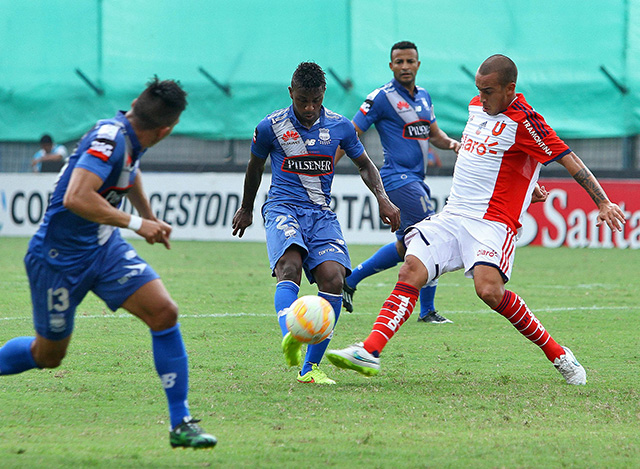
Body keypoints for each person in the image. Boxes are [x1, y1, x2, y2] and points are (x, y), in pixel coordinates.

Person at [326, 54, 626, 385]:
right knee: (412, 268)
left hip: (493, 223)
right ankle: (370, 350)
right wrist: (526, 187)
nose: (481, 98)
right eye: (479, 90)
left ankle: (558, 354)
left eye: (489, 91)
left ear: (510, 89)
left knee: (489, 291)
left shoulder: (526, 121)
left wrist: (603, 202)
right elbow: (495, 161)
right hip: (454, 215)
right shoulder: (475, 107)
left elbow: (568, 160)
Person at [0, 77, 217, 448]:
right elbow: (76, 197)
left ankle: (180, 423)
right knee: (48, 355)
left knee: (164, 312)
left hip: (103, 249)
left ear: (136, 103)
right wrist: (137, 223)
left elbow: (127, 172)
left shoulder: (132, 134)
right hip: (57, 260)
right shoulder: (110, 139)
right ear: (167, 130)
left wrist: (148, 215)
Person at [232, 62, 400, 385]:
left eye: (315, 101)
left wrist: (383, 198)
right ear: (291, 94)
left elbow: (365, 165)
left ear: (324, 95)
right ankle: (291, 335)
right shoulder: (271, 127)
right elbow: (254, 168)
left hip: (321, 213)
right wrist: (247, 208)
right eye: (302, 101)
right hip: (283, 207)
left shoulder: (340, 127)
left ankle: (309, 369)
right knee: (290, 266)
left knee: (334, 279)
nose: (309, 109)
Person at [337, 41, 460, 323]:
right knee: (430, 238)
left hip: (416, 179)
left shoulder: (424, 97)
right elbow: (351, 132)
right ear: (391, 66)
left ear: (418, 64)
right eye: (399, 62)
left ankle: (351, 280)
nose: (405, 66)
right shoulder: (381, 98)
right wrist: (327, 164)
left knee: (406, 246)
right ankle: (427, 311)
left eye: (410, 61)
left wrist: (453, 144)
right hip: (396, 178)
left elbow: (435, 136)